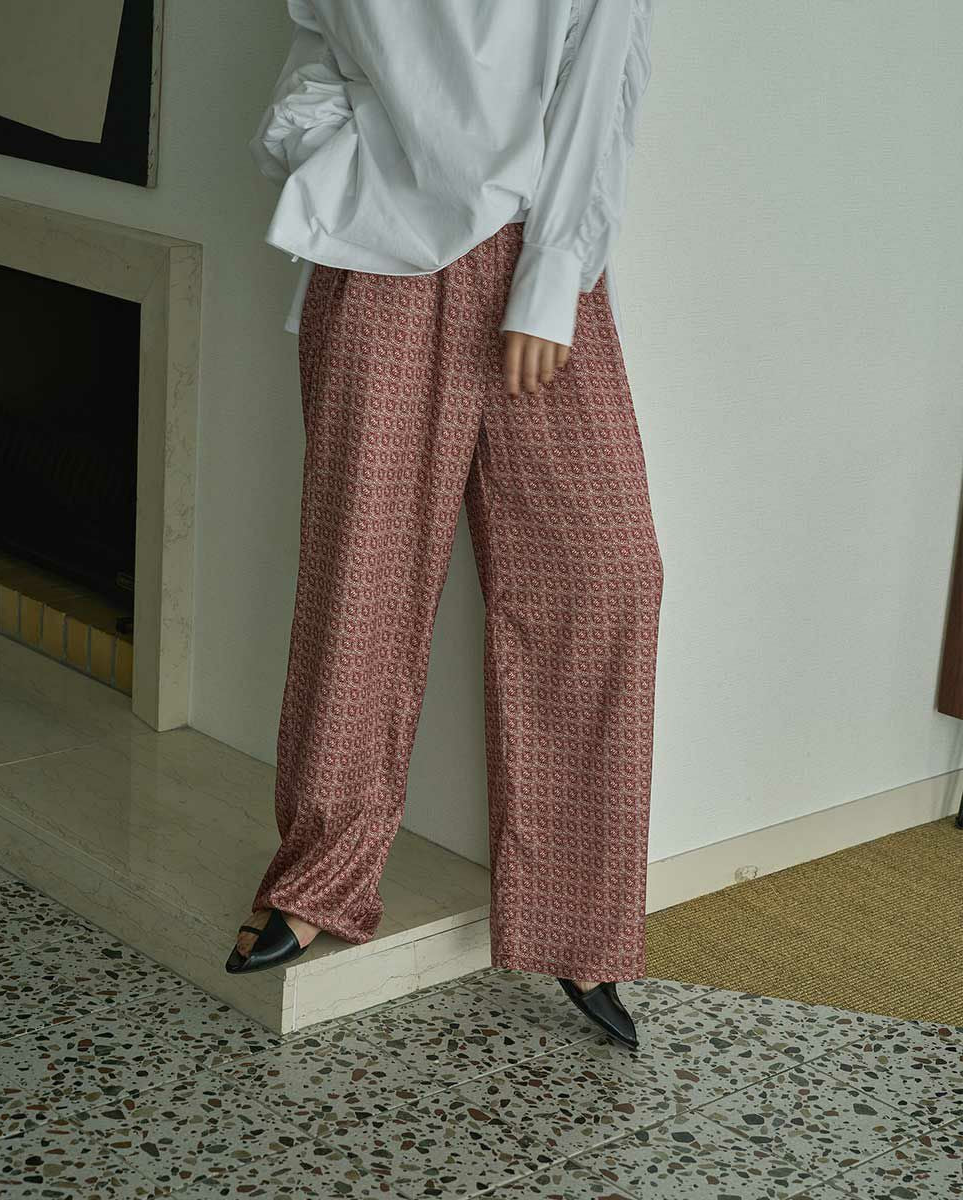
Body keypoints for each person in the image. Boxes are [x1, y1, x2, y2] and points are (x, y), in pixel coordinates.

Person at [226, 0, 662, 1052]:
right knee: (361, 578)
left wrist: (550, 278)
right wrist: (332, 156)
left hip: (535, 262)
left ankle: (578, 915)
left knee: (607, 575)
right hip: (375, 258)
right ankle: (317, 875)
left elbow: (598, 94)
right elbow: (318, 48)